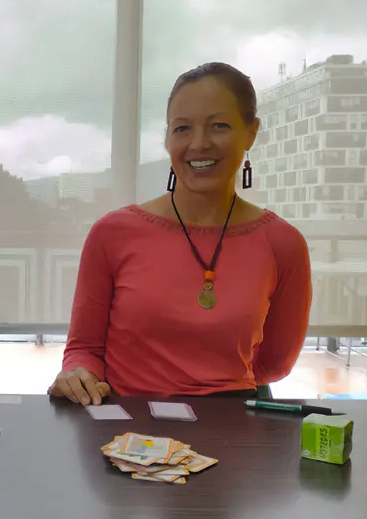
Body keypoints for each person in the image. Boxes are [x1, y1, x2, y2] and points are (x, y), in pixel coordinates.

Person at [49, 62, 312, 405]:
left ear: (251, 132)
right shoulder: (112, 234)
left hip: (232, 434)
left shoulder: (283, 244)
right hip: (126, 436)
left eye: (219, 125)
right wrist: (78, 374)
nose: (198, 144)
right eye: (182, 128)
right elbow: (83, 349)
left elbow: (275, 364)